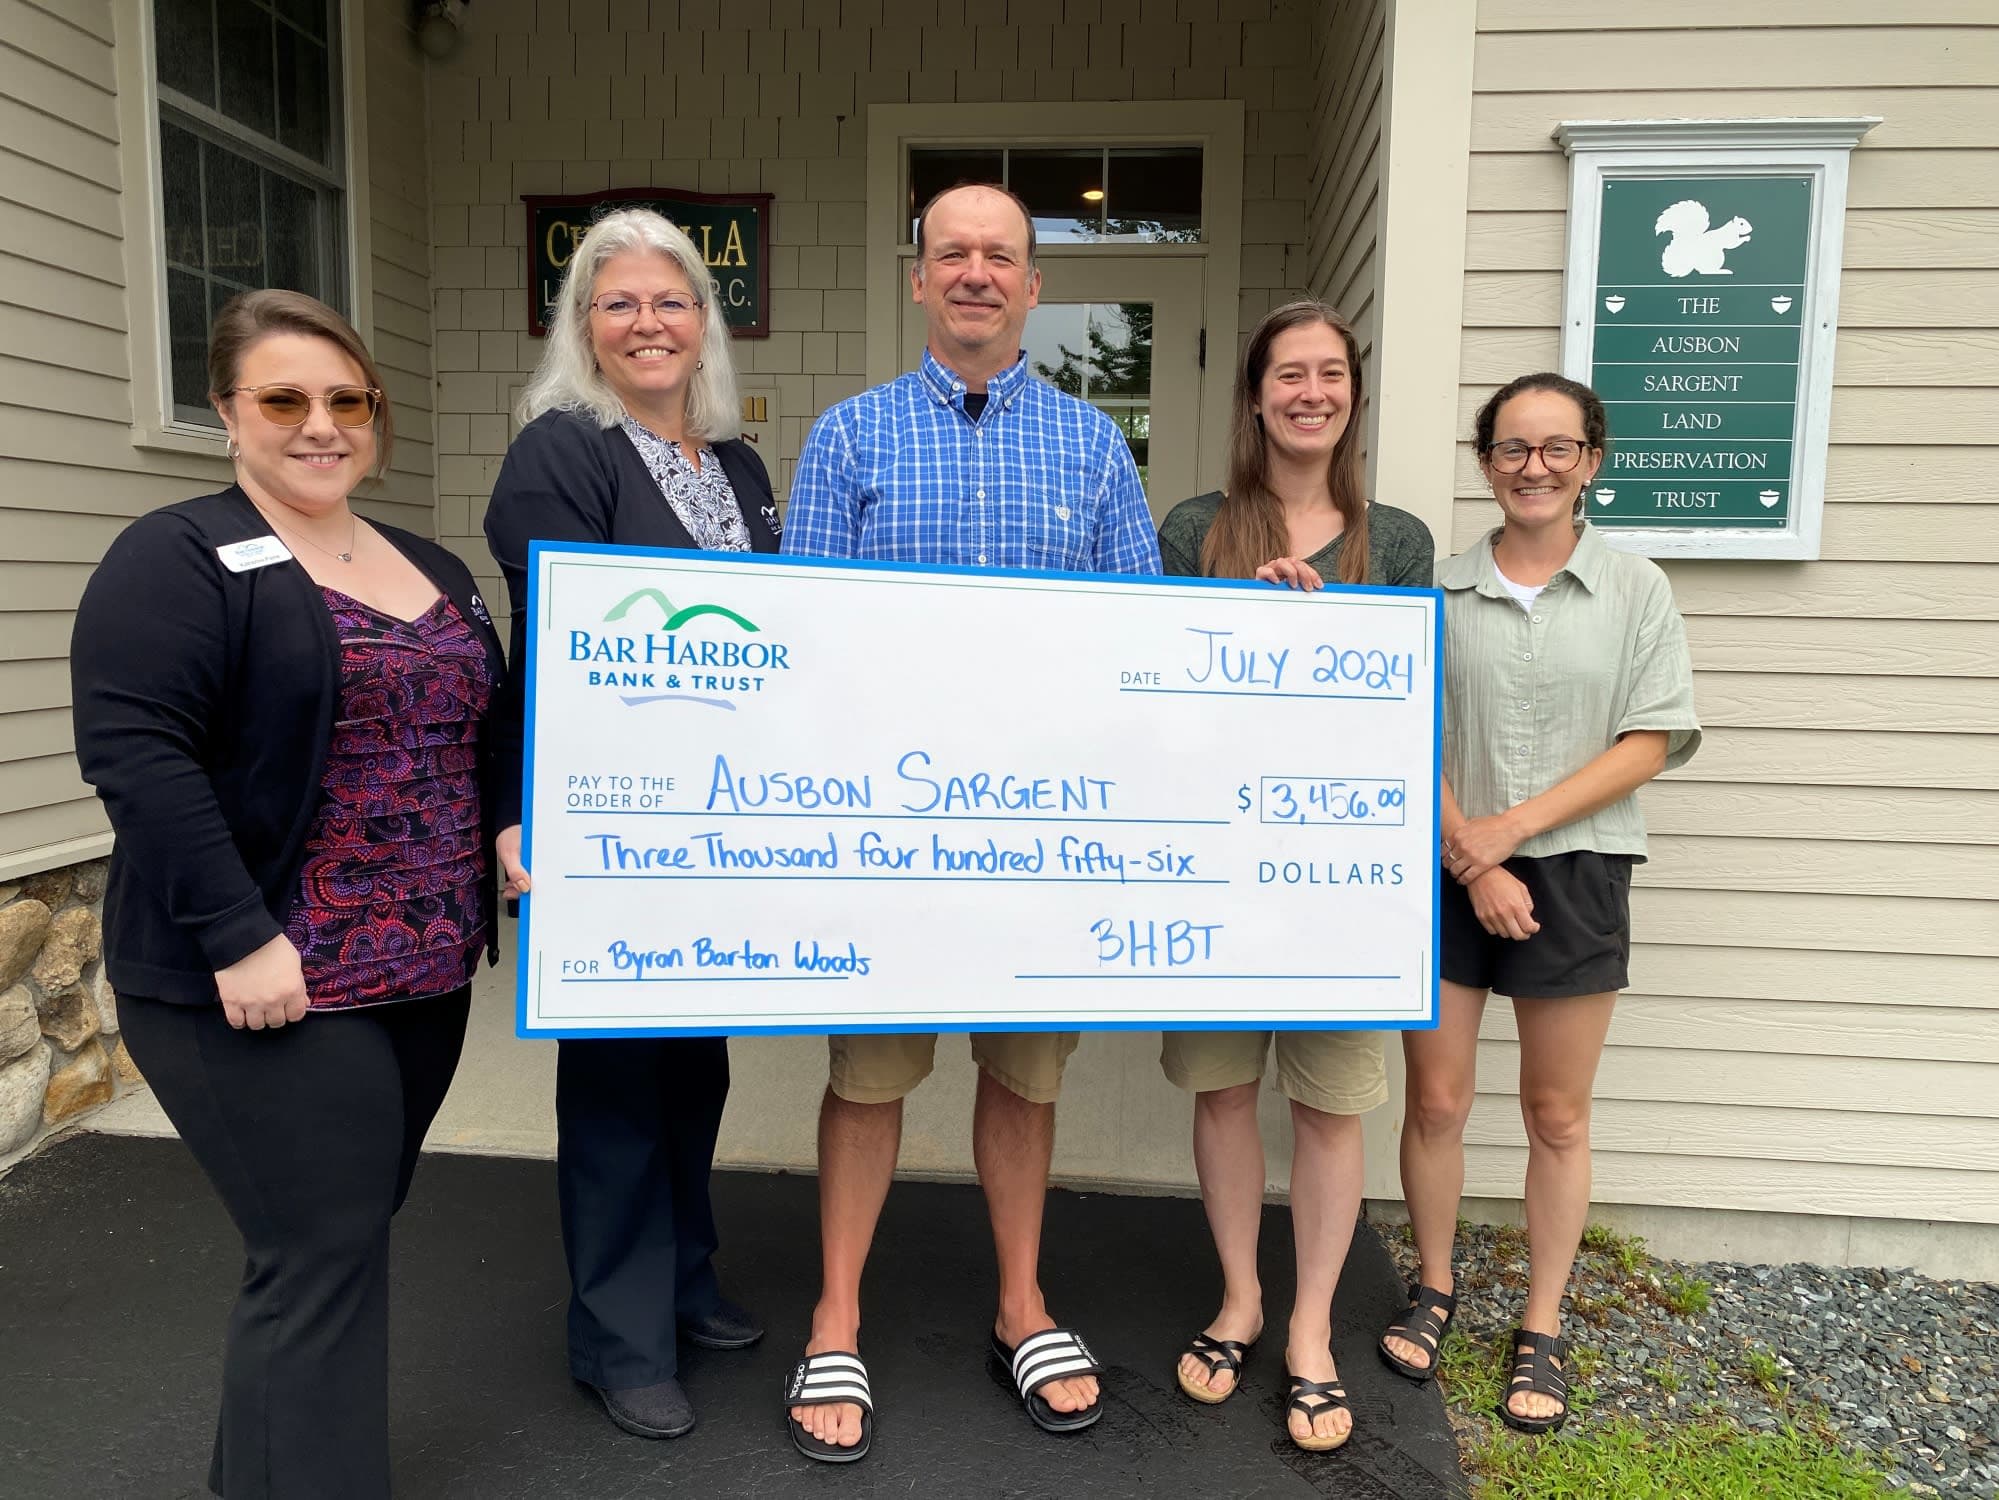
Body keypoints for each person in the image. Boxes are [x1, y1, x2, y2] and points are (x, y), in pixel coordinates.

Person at [70, 290, 508, 1498]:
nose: (320, 425)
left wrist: (511, 822)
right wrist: (238, 933)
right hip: (267, 980)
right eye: (283, 399)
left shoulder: (426, 562)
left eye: (345, 400)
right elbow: (138, 757)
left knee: (340, 1241)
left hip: (419, 974)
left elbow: (486, 728)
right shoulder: (179, 556)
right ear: (226, 413)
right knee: (316, 1250)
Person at [778, 182, 1161, 1462]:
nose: (978, 274)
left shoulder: (1095, 448)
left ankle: (1019, 1302)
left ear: (1033, 287)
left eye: (1002, 256)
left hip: (1041, 837)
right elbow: (807, 642)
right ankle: (837, 1317)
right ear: (918, 279)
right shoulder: (849, 439)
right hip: (889, 828)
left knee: (1023, 1070)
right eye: (954, 253)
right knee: (870, 1074)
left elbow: (1138, 644)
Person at [483, 207, 771, 1442]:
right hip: (601, 819)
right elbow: (555, 656)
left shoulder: (739, 466)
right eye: (620, 305)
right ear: (583, 329)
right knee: (614, 1084)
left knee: (690, 1069)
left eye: (670, 301)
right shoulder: (562, 450)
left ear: (703, 320)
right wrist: (517, 814)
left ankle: (685, 1280)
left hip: (714, 819)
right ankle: (618, 1334)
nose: (648, 323)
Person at [1377, 372, 1700, 1433]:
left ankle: (1542, 1323)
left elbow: (1648, 741)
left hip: (1573, 869)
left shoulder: (1634, 589)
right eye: (1513, 449)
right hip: (1445, 856)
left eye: (1557, 448)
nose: (1534, 467)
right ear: (1485, 464)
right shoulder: (1439, 588)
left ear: (1591, 461)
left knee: (1555, 1115)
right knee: (1435, 1101)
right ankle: (1432, 1287)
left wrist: (1509, 840)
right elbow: (1401, 725)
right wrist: (1470, 858)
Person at [1154, 299, 1434, 1453]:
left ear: (1352, 396)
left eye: (1330, 374)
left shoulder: (1399, 541)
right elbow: (1158, 696)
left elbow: (1405, 708)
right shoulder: (1195, 528)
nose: (1309, 392)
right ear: (1254, 394)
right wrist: (1239, 624)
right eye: (1288, 375)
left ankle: (1311, 1325)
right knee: (1222, 1089)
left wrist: (1325, 644)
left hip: (1341, 876)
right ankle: (1240, 1297)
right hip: (1216, 865)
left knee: (1328, 1105)